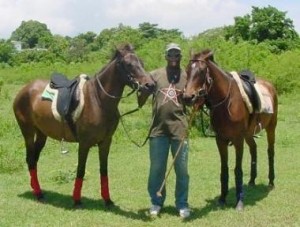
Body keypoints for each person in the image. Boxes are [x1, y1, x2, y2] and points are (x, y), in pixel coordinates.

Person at [138, 43, 190, 218]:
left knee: (181, 169)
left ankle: (182, 204)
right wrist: (144, 91)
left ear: (181, 56)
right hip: (158, 130)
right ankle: (156, 202)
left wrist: (196, 99)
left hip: (180, 130)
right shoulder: (154, 75)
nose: (174, 57)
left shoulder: (187, 76)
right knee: (157, 168)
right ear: (165, 56)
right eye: (170, 54)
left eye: (177, 54)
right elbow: (140, 100)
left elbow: (192, 100)